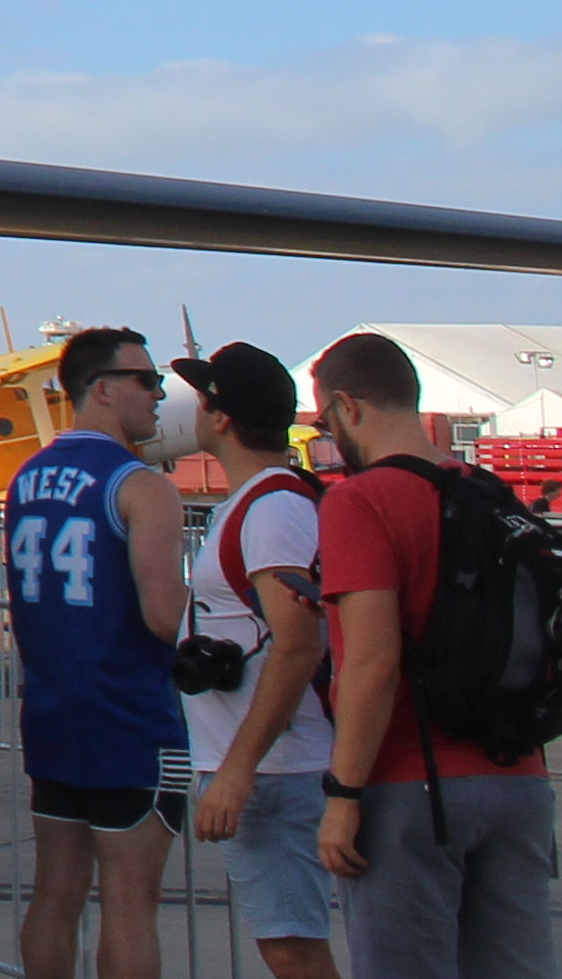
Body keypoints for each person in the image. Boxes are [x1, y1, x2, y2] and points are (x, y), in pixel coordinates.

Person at [310, 327, 557, 979]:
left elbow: (371, 662)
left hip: (411, 786)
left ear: (348, 406)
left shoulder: (359, 501)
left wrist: (343, 794)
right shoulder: (488, 491)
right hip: (518, 779)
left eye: (326, 419)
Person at [8, 329, 190, 979]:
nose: (159, 394)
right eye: (147, 380)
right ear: (103, 387)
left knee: (55, 893)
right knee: (130, 902)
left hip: (55, 712)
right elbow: (165, 614)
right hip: (132, 717)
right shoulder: (141, 484)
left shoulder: (27, 477)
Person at [171, 342, 336, 979]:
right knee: (289, 943)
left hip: (274, 771)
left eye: (204, 397)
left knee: (293, 948)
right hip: (266, 766)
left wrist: (239, 769)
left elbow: (297, 642)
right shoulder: (260, 503)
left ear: (222, 418)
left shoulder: (272, 510)